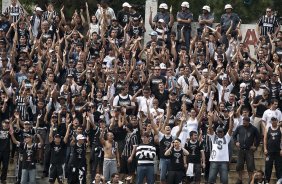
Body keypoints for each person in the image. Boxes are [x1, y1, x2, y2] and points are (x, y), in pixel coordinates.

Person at [207, 111, 233, 184]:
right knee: (211, 179)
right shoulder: (214, 137)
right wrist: (210, 119)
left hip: (224, 161)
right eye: (218, 132)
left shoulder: (226, 138)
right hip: (214, 160)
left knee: (224, 180)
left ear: (223, 133)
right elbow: (210, 128)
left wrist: (230, 118)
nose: (219, 133)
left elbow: (230, 128)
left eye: (221, 132)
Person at [233, 116, 260, 184]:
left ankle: (250, 180)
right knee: (239, 165)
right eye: (243, 121)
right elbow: (234, 135)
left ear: (248, 122)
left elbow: (258, 137)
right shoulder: (239, 127)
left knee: (250, 166)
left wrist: (255, 146)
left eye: (245, 122)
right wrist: (236, 142)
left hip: (249, 150)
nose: (243, 123)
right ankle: (240, 179)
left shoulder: (253, 129)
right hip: (241, 149)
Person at [263, 117, 282, 183]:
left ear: (277, 121)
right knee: (268, 166)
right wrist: (265, 148)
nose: (274, 122)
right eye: (272, 121)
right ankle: (267, 181)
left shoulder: (280, 129)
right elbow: (265, 139)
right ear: (271, 121)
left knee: (279, 166)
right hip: (269, 151)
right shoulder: (268, 128)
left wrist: (281, 149)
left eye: (275, 120)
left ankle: (279, 181)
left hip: (278, 151)